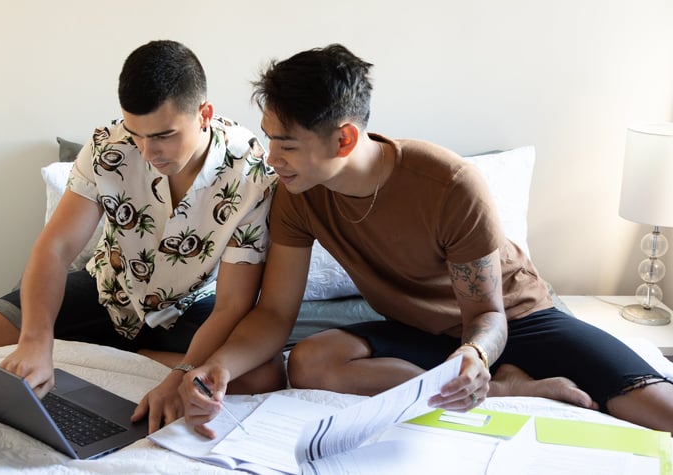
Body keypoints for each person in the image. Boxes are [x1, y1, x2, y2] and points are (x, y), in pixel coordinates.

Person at [180, 43, 673, 438]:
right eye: (269, 140)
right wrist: (218, 365)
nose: (272, 158)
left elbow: (486, 315)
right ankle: (507, 389)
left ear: (344, 140)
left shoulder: (451, 184)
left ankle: (492, 376)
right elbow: (274, 314)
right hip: (417, 328)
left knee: (658, 409)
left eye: (286, 145)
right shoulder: (297, 193)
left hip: (516, 319)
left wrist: (475, 356)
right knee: (310, 362)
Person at [0, 40, 283, 433]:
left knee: (263, 378)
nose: (147, 151)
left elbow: (232, 304)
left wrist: (181, 373)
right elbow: (57, 248)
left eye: (163, 135)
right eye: (136, 134)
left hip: (189, 311)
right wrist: (36, 339)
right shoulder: (108, 146)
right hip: (107, 289)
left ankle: (140, 354)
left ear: (204, 114)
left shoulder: (253, 173)